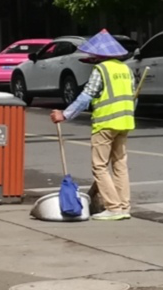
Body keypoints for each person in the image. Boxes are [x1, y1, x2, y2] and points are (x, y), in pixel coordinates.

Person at [50, 29, 135, 221]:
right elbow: (132, 98)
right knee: (120, 165)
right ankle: (124, 206)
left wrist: (65, 114)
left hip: (105, 123)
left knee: (99, 166)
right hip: (125, 122)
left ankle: (113, 208)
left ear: (99, 54)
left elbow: (86, 96)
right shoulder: (126, 69)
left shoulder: (101, 70)